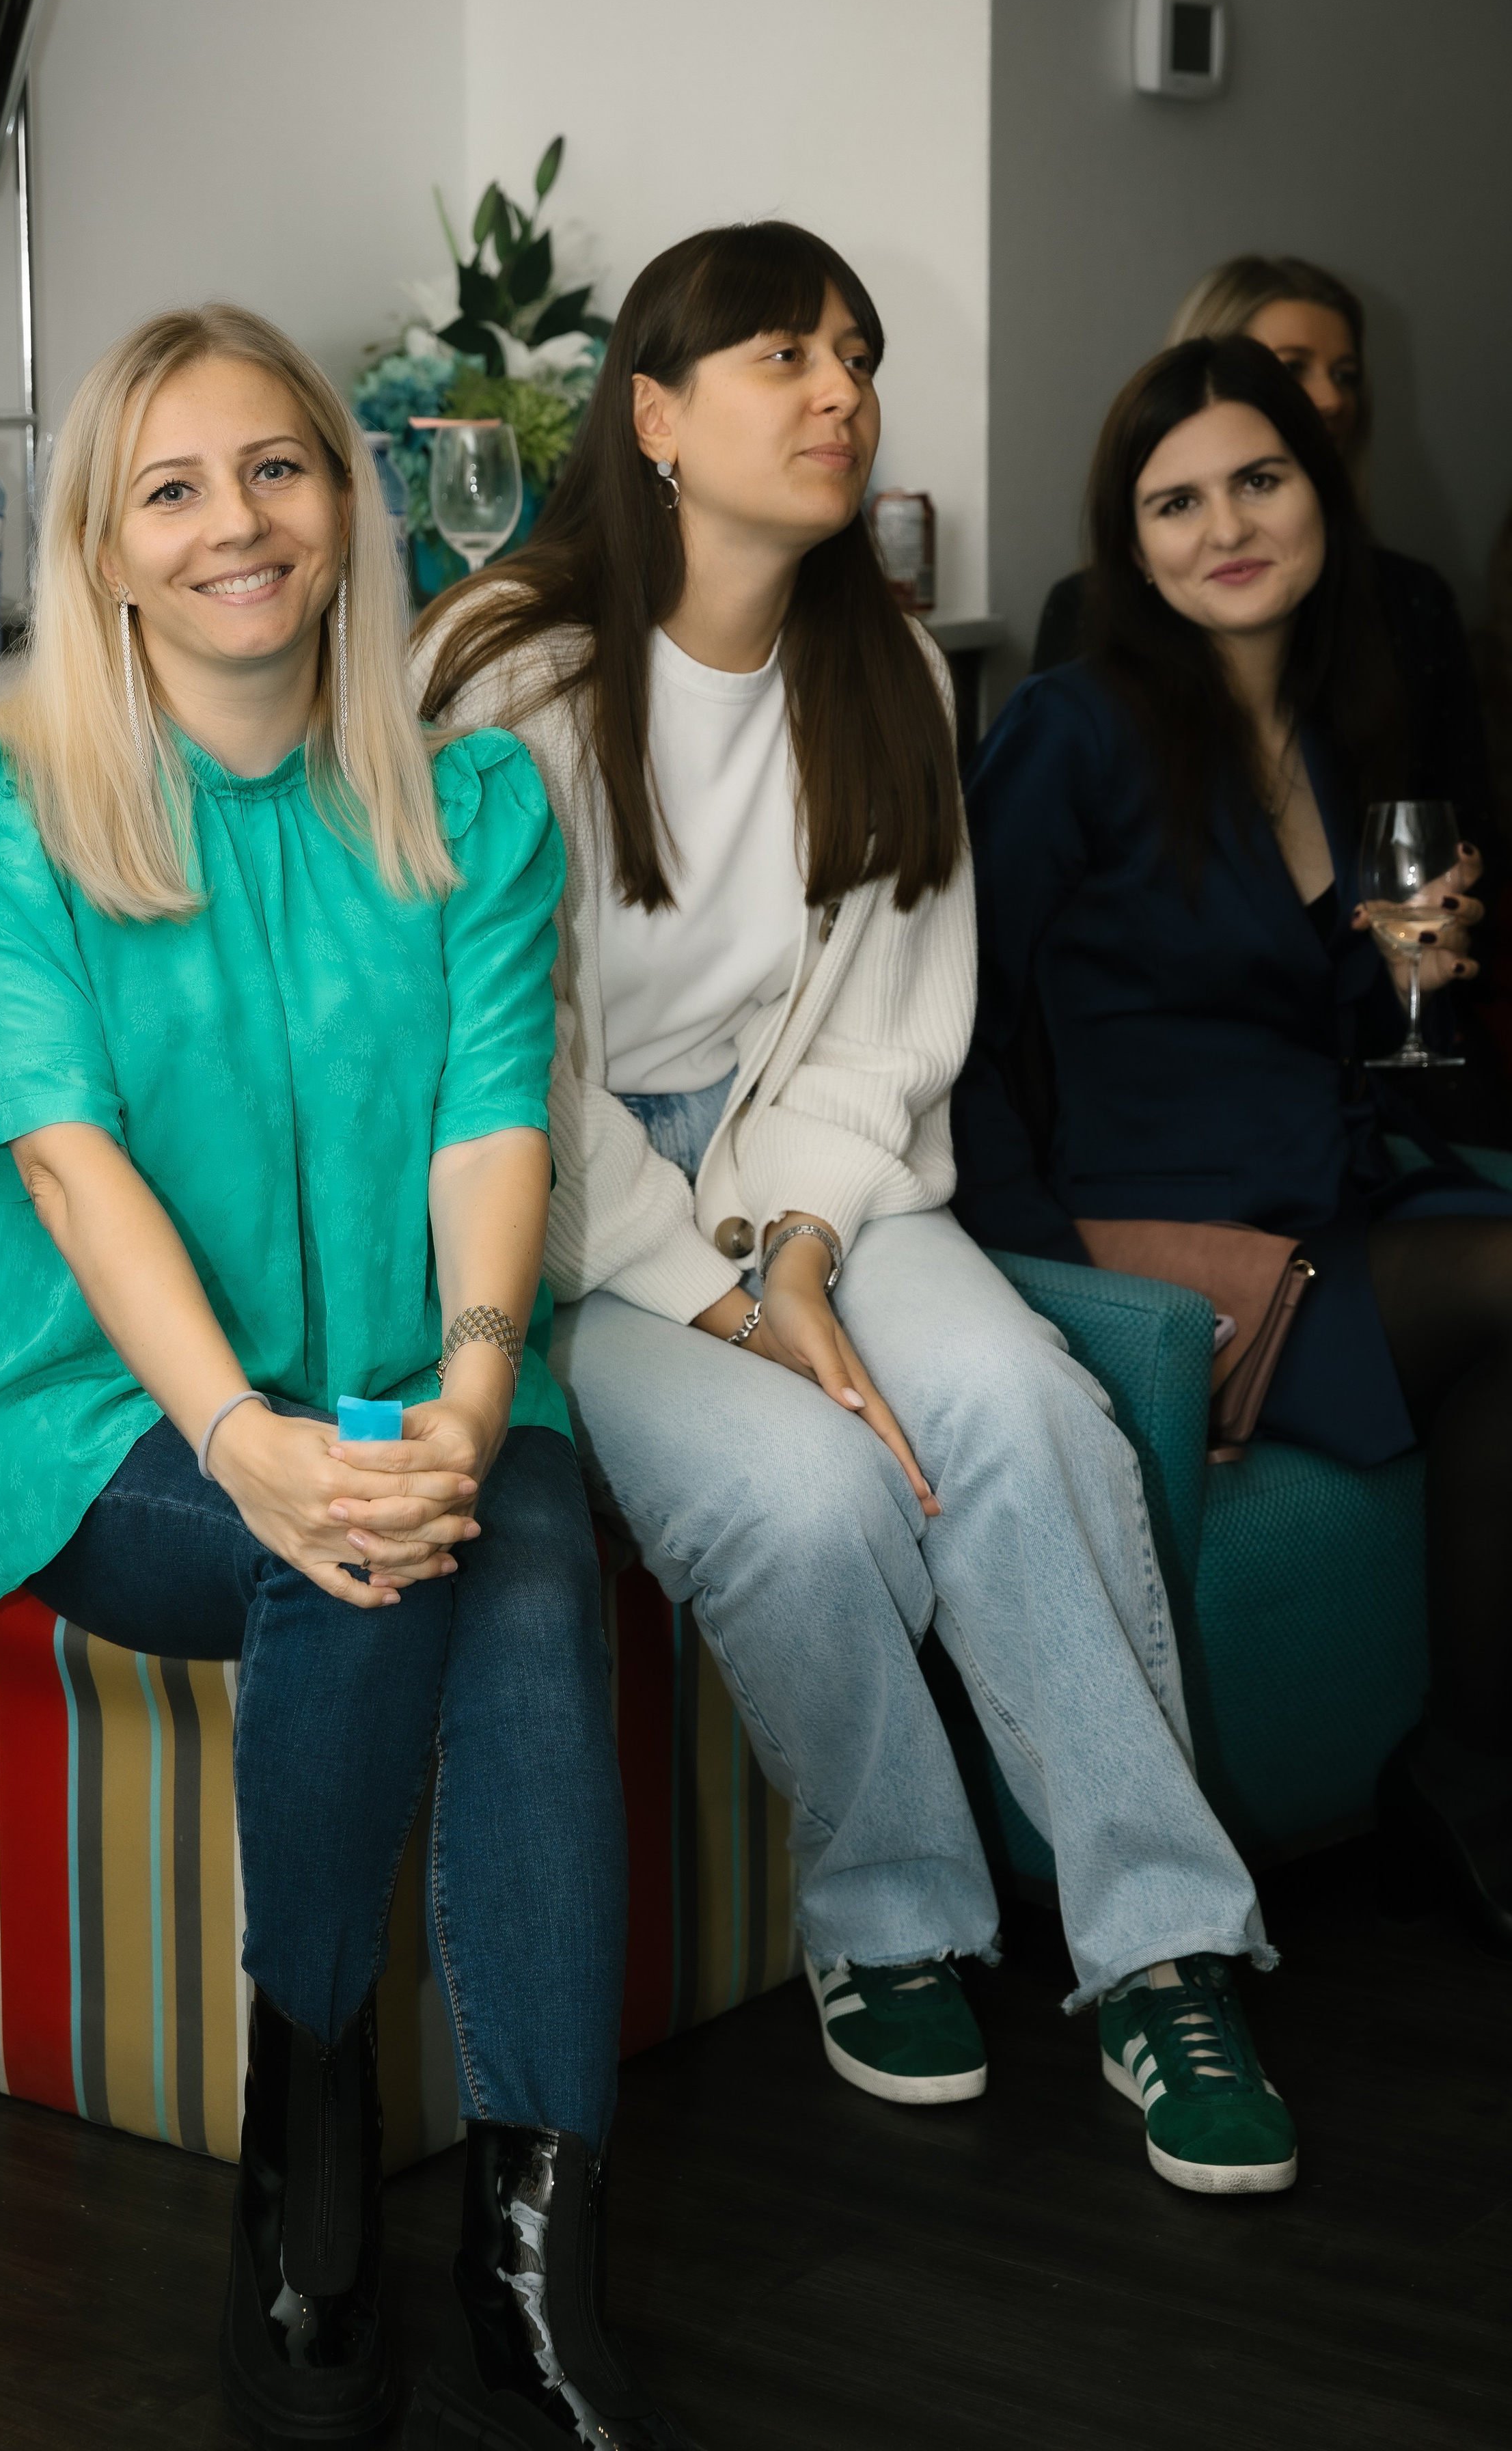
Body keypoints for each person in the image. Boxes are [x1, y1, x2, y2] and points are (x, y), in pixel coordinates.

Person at [418, 220, 1298, 2202]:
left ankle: (1162, 1951)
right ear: (653, 416)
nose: (841, 394)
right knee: (804, 1493)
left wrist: (803, 1246)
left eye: (856, 356)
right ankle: (886, 1914)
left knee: (1020, 1409)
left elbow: (891, 1028)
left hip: (811, 1159)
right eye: (783, 358)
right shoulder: (499, 671)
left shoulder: (886, 662)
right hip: (563, 1210)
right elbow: (492, 1068)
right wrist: (724, 1300)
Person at [0, 305, 700, 2451]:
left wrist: (471, 1385)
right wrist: (245, 1439)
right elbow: (64, 1162)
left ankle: (527, 2255)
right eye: (170, 488)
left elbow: (489, 1130)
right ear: (104, 547)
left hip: (421, 1377)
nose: (234, 522)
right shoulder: (0, 811)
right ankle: (315, 2150)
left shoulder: (469, 801)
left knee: (500, 1555)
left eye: (276, 467)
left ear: (348, 505)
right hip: (107, 1416)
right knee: (355, 1545)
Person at [954, 335, 1512, 1966]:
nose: (1224, 527)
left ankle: (1466, 1773)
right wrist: (1049, 1307)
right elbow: (959, 1034)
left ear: (1315, 490)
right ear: (1128, 549)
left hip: (1328, 1190)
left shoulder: (1335, 732)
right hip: (1172, 1249)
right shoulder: (1067, 728)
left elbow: (1356, 1036)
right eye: (1174, 502)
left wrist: (1422, 972)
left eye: (1255, 480)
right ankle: (1464, 1782)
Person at [1032, 258, 1501, 916]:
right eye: (1291, 368)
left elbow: (1452, 844)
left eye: (1346, 375)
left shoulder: (1401, 609)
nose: (1330, 399)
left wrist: (1425, 947)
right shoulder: (1069, 699)